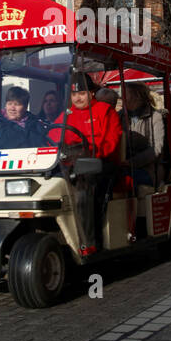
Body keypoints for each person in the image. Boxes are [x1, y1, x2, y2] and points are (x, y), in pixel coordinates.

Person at [46, 72, 124, 254]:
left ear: (91, 93)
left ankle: (89, 242)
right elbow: (53, 137)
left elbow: (112, 142)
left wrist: (90, 153)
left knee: (82, 191)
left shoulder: (105, 111)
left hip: (99, 162)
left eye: (81, 93)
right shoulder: (67, 115)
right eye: (74, 94)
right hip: (71, 163)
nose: (77, 98)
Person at [123, 83, 166, 188]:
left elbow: (156, 148)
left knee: (126, 181)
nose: (122, 98)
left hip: (148, 169)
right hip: (123, 167)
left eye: (125, 94)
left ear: (137, 96)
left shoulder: (155, 117)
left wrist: (131, 162)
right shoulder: (119, 116)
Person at [0, 86, 45, 150]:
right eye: (9, 104)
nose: (12, 108)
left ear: (25, 107)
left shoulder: (36, 125)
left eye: (17, 104)